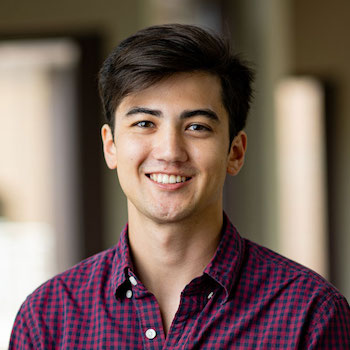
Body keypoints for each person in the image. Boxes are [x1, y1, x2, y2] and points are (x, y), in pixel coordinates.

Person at [9, 24, 350, 349]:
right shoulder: (47, 319)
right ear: (110, 146)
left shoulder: (310, 313)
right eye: (144, 123)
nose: (170, 151)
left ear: (235, 152)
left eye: (197, 127)